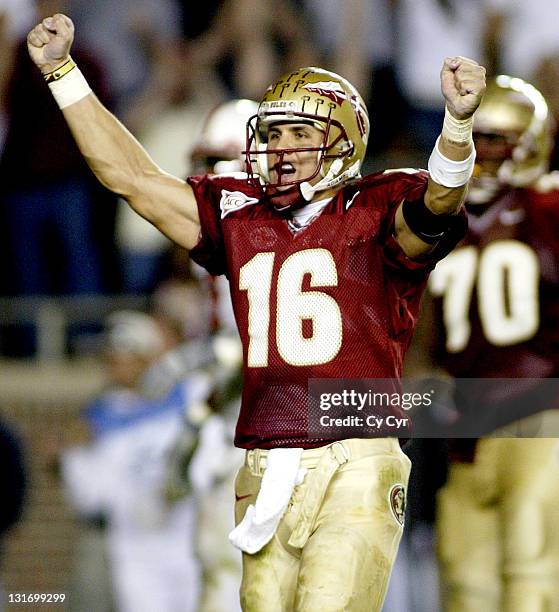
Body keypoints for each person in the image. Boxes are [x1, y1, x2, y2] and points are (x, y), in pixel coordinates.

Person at [27, 13, 485, 611]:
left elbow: (439, 202)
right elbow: (131, 178)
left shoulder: (376, 206)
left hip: (355, 454)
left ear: (342, 140)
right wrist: (64, 74)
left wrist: (456, 128)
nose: (280, 149)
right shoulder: (239, 215)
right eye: (272, 135)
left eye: (299, 134)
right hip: (264, 459)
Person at [423, 76, 559, 611]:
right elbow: (423, 336)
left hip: (544, 416)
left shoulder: (548, 207)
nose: (481, 156)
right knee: (464, 584)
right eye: (474, 141)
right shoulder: (436, 223)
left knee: (532, 577)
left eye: (496, 141)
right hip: (466, 434)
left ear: (530, 144)